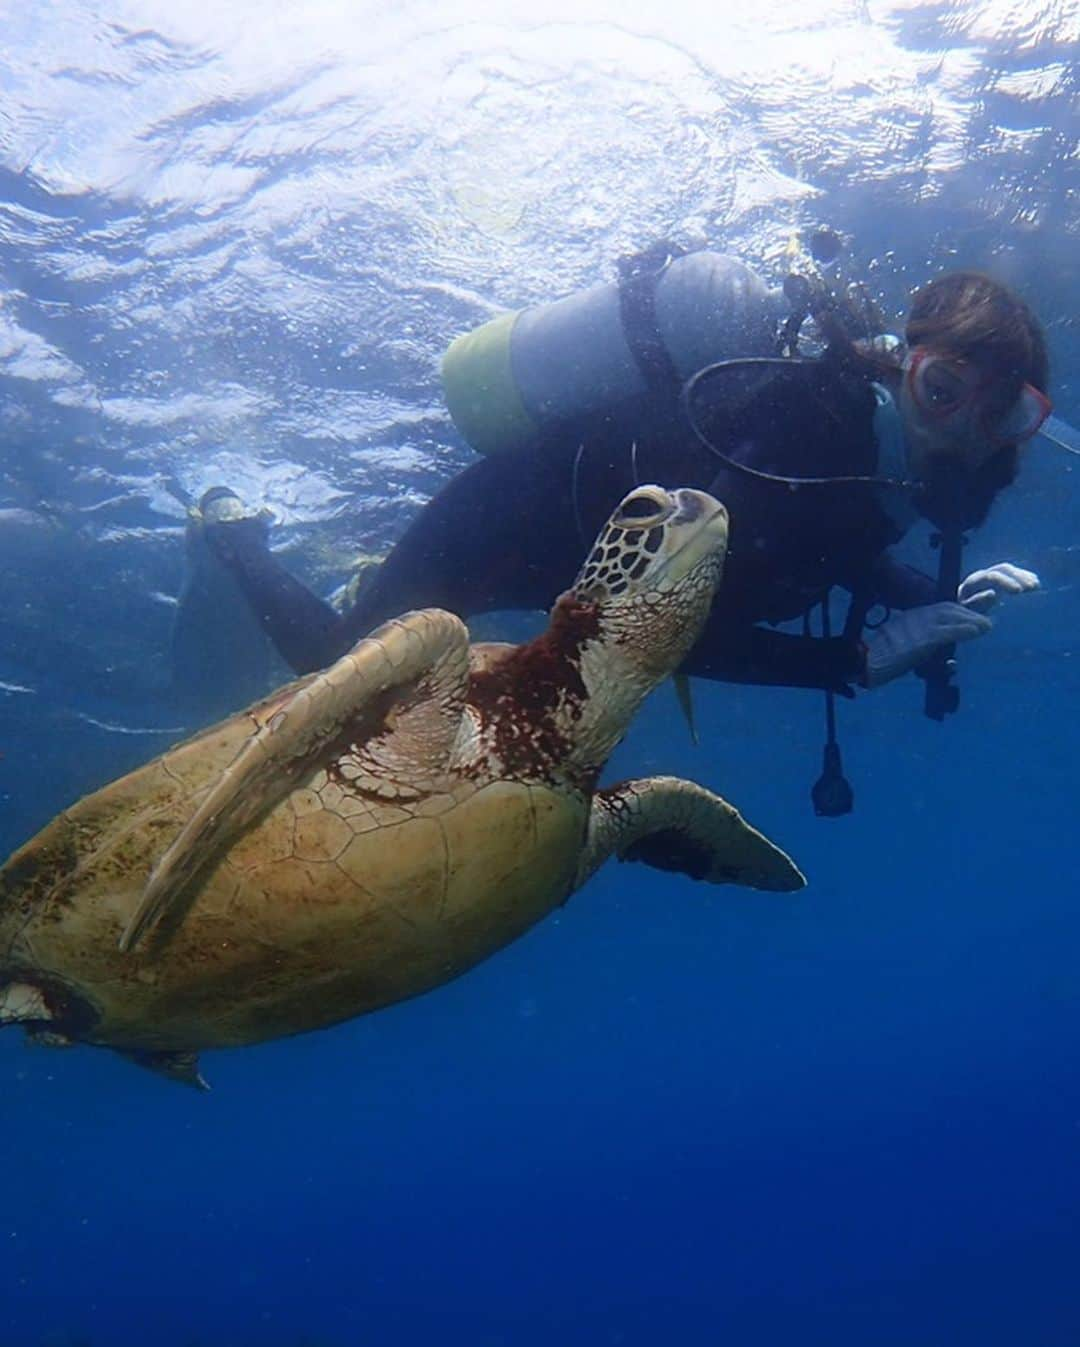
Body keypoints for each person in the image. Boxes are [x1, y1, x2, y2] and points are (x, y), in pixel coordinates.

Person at [193, 267, 1050, 729]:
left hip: (570, 567)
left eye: (1002, 410)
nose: (962, 429)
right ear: (903, 364)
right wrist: (851, 664)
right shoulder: (811, 424)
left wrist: (926, 597)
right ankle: (235, 536)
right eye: (943, 389)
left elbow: (820, 548)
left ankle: (371, 577)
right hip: (509, 524)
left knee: (385, 656)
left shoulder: (877, 470)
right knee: (342, 678)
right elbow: (656, 626)